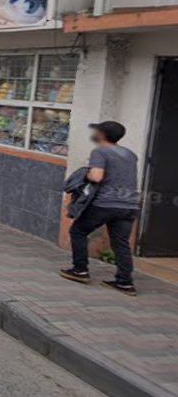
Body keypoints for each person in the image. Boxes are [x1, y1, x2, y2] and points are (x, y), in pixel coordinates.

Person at [60, 121, 140, 296]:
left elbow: (96, 177)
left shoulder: (100, 152)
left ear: (102, 134)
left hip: (105, 203)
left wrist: (87, 171)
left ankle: (80, 270)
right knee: (120, 242)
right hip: (129, 204)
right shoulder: (130, 154)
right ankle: (125, 282)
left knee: (78, 231)